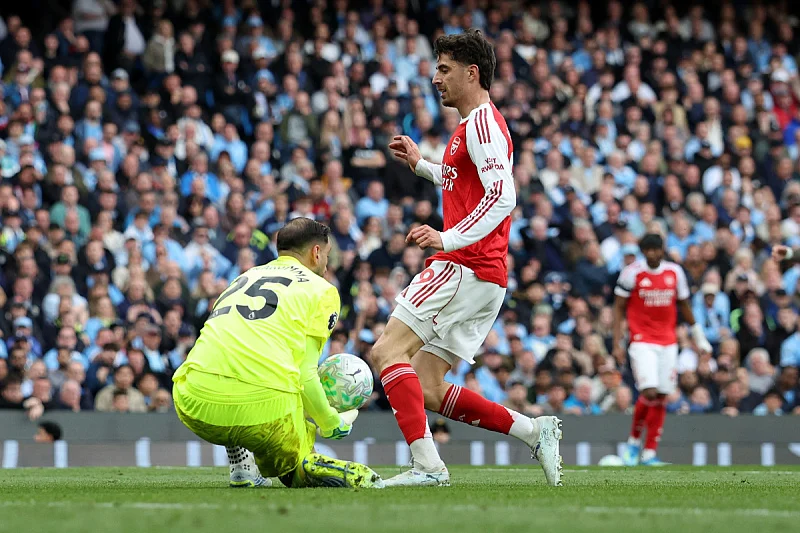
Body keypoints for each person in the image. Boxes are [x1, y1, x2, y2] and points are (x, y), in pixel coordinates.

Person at [372, 29, 562, 488]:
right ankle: (533, 431)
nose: (435, 78)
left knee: (386, 352)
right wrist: (421, 165)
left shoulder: (480, 125)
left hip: (464, 266)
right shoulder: (477, 125)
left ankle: (428, 467)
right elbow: (465, 181)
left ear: (471, 73)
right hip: (485, 275)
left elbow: (502, 195)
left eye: (444, 69)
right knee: (427, 386)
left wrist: (448, 238)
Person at [172, 218, 383, 489]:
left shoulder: (244, 276)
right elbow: (305, 374)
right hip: (258, 412)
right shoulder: (322, 290)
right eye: (327, 255)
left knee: (238, 359)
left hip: (191, 399)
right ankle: (350, 474)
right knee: (295, 464)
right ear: (316, 252)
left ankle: (242, 466)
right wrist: (331, 422)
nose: (327, 264)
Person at [613, 233, 712, 466]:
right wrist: (617, 341)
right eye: (648, 250)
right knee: (649, 391)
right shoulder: (631, 273)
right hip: (642, 340)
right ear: (643, 252)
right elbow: (618, 308)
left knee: (662, 395)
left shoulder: (675, 272)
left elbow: (684, 305)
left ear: (662, 250)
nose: (652, 254)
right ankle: (633, 442)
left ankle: (649, 453)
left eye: (656, 249)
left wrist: (699, 338)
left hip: (668, 341)